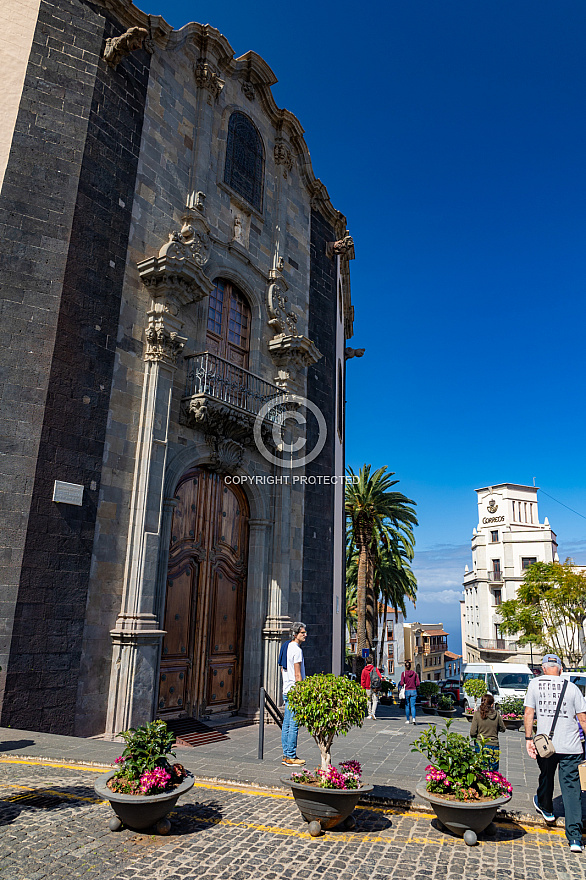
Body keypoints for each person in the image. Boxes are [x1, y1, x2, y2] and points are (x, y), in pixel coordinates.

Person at [524, 653, 586, 854]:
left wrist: (528, 739)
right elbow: (583, 720)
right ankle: (575, 838)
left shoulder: (534, 684)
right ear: (561, 669)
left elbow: (528, 713)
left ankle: (547, 810)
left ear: (543, 668)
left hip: (546, 745)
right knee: (571, 790)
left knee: (546, 777)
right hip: (571, 747)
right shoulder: (572, 688)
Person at [281, 622, 307, 766]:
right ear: (296, 634)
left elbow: (282, 668)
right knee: (294, 724)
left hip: (287, 689)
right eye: (303, 632)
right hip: (294, 691)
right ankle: (291, 756)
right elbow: (298, 674)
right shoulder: (297, 650)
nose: (305, 635)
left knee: (287, 723)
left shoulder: (286, 646)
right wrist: (301, 691)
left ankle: (286, 755)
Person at [469, 693, 505, 770]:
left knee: (481, 770)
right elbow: (503, 729)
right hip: (494, 745)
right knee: (494, 771)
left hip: (481, 745)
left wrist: (475, 739)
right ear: (492, 705)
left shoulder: (477, 714)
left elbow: (472, 732)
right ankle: (493, 782)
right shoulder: (497, 715)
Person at [360, 654, 383, 719]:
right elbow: (380, 677)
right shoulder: (375, 669)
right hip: (374, 687)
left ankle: (369, 714)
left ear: (366, 662)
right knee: (375, 700)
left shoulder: (364, 670)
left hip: (367, 687)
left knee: (368, 700)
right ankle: (373, 712)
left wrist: (362, 688)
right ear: (372, 662)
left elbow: (362, 680)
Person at [400, 660, 420, 725]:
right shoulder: (415, 673)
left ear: (405, 667)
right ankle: (413, 718)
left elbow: (401, 683)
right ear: (410, 666)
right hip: (414, 690)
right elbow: (418, 683)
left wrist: (404, 684)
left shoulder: (404, 674)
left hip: (407, 690)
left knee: (407, 705)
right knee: (413, 705)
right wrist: (414, 685)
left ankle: (408, 720)